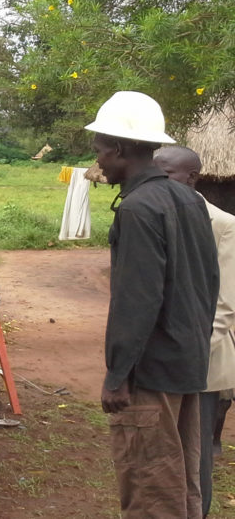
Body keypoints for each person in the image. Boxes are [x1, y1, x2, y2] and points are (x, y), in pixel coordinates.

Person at [86, 91, 219, 519]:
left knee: (151, 490)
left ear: (120, 149)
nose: (99, 159)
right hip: (186, 366)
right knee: (183, 487)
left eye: (101, 149)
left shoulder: (140, 208)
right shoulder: (189, 201)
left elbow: (137, 300)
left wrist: (117, 374)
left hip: (151, 375)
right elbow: (207, 284)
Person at [153, 145, 235, 518]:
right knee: (161, 446)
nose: (158, 183)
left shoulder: (222, 224)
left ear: (191, 178)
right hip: (161, 357)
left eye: (166, 175)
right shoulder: (156, 213)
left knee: (195, 450)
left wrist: (189, 351)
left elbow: (225, 307)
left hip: (202, 358)